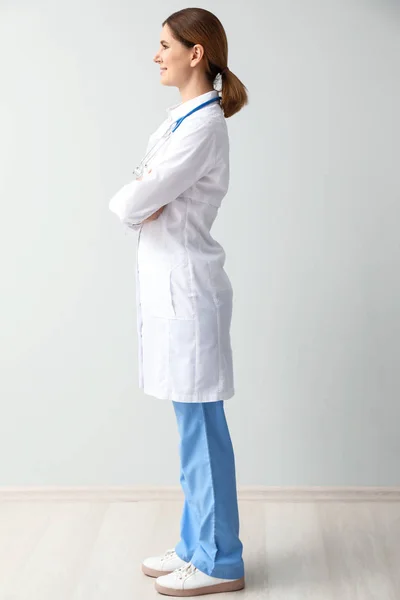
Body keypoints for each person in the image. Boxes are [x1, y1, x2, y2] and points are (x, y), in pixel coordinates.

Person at [109, 7, 248, 597]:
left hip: (189, 291)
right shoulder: (180, 120)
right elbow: (141, 194)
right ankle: (195, 543)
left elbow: (133, 200)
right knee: (190, 424)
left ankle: (220, 560)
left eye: (166, 44)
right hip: (174, 291)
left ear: (197, 53)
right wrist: (141, 196)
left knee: (202, 427)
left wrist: (139, 197)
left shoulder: (203, 127)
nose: (156, 54)